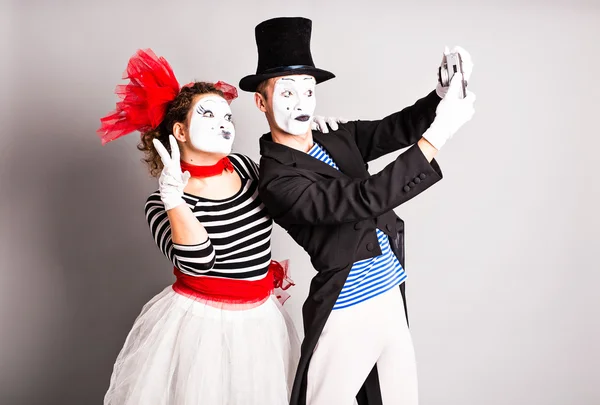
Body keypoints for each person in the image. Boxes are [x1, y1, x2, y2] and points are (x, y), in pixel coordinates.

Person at [239, 17, 476, 405]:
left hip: (390, 295)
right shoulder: (277, 180)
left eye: (308, 90)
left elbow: (392, 129)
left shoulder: (334, 134)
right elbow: (362, 198)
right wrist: (439, 135)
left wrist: (440, 95)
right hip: (347, 307)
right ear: (260, 101)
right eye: (286, 94)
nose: (301, 103)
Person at [97, 48, 341, 405]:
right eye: (208, 114)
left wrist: (307, 138)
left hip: (260, 322)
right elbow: (199, 262)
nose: (224, 123)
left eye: (227, 116)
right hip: (201, 330)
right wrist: (175, 200)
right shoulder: (161, 203)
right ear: (179, 130)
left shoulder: (245, 167)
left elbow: (300, 199)